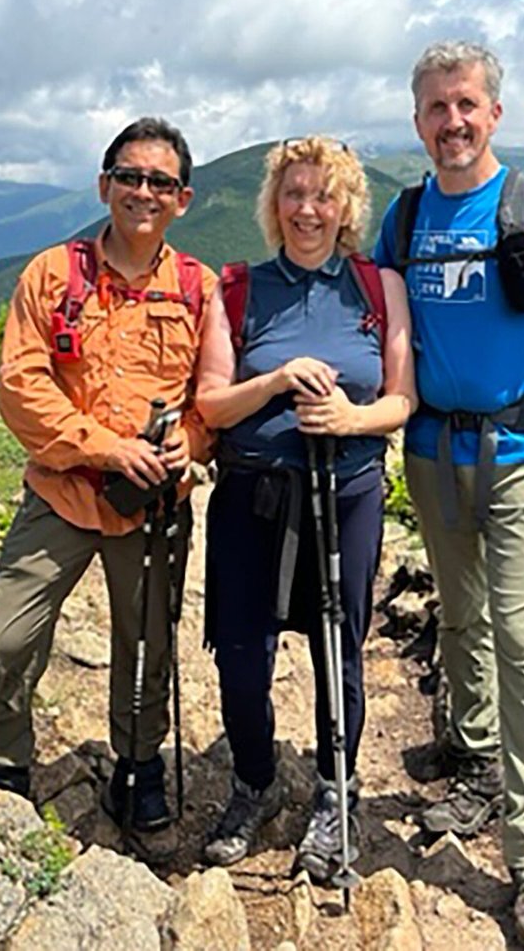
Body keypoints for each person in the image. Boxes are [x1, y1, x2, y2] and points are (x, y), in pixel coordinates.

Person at [372, 42, 524, 949]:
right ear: (418, 119)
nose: (452, 122)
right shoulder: (402, 218)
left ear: (494, 113)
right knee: (459, 616)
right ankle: (470, 758)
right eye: (435, 108)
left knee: (523, 636)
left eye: (466, 104)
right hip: (432, 449)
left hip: (521, 452)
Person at [0, 117, 216, 859]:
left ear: (183, 199)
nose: (144, 191)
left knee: (146, 649)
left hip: (154, 505)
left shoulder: (198, 288)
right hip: (63, 490)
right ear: (105, 186)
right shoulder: (53, 274)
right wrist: (106, 449)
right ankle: (4, 760)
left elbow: (212, 398)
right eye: (130, 177)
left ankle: (137, 768)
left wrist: (188, 445)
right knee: (4, 637)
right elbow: (21, 385)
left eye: (160, 182)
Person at [194, 136, 415, 881]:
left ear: (348, 205)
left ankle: (336, 787)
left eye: (324, 195)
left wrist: (352, 420)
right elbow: (213, 404)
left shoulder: (379, 288)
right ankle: (253, 780)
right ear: (273, 204)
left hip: (346, 491)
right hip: (252, 493)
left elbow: (401, 400)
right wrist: (279, 380)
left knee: (338, 647)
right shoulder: (238, 288)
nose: (308, 209)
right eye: (294, 194)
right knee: (243, 652)